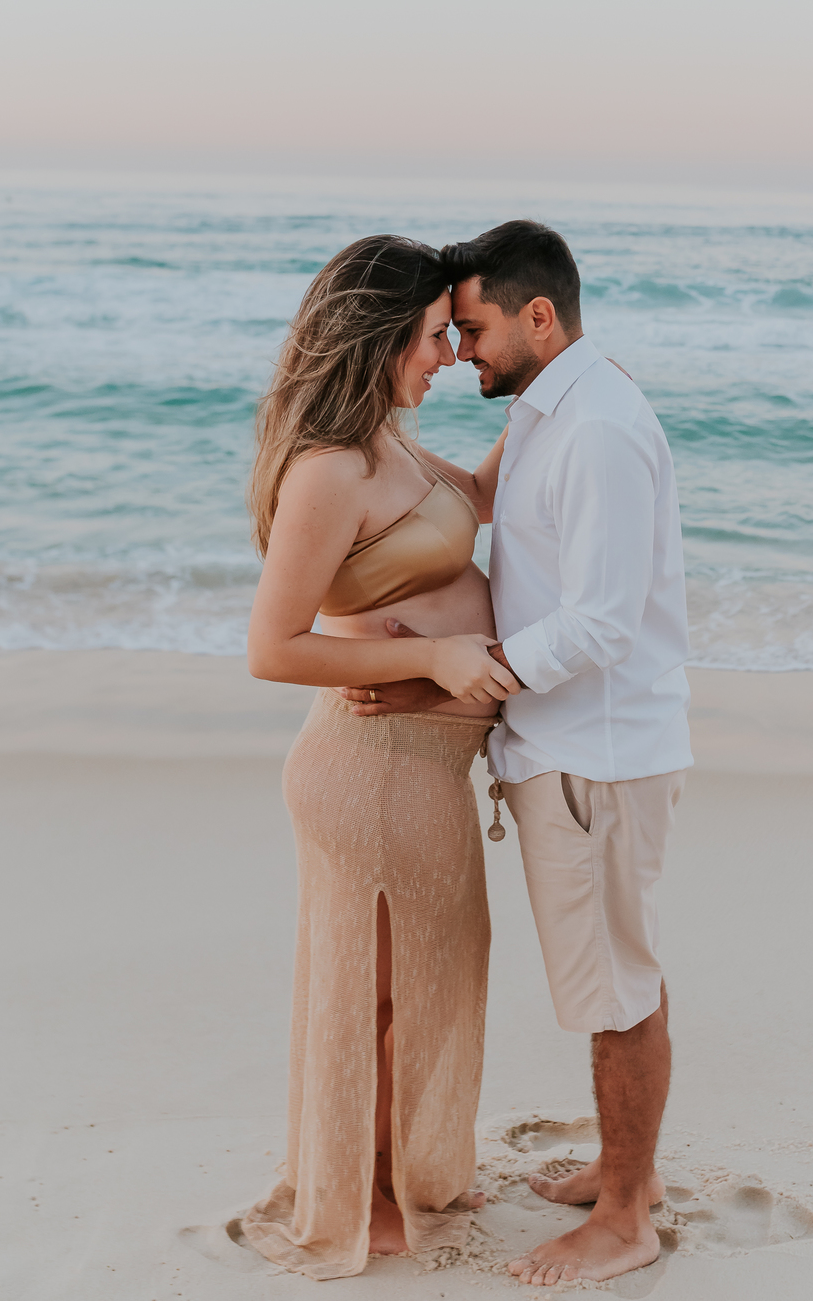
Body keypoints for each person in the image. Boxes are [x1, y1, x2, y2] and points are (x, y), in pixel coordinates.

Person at [349, 221, 693, 1286]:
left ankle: (628, 1214)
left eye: (476, 327)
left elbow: (598, 623)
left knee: (612, 990)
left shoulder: (591, 427)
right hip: (570, 746)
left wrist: (455, 666)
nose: (462, 351)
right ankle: (617, 1167)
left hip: (593, 755)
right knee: (610, 974)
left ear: (540, 316)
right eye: (449, 331)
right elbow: (478, 505)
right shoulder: (554, 406)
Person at [234, 234, 520, 1279]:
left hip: (420, 763)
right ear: (379, 334)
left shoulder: (393, 445)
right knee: (385, 992)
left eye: (454, 331)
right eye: (436, 333)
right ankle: (367, 1192)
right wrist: (444, 653)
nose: (448, 352)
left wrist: (556, 381)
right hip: (374, 761)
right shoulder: (331, 469)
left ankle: (404, 1167)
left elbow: (487, 499)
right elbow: (272, 646)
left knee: (436, 975)